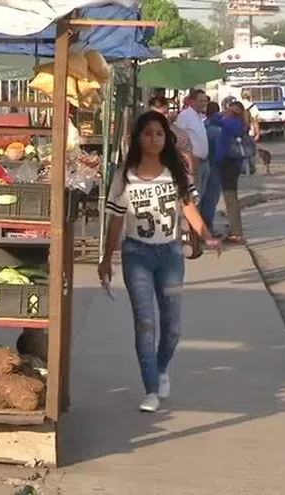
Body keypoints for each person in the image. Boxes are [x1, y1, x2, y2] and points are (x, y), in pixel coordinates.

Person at [98, 110, 222, 413]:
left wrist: (207, 235)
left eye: (159, 134)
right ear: (137, 139)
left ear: (166, 138)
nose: (154, 139)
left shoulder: (175, 170)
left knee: (173, 325)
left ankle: (161, 367)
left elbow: (189, 207)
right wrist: (106, 258)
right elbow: (115, 220)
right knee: (145, 323)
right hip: (136, 255)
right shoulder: (124, 175)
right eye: (148, 133)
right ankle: (150, 389)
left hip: (170, 255)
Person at [209, 99, 252, 244]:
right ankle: (235, 230)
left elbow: (214, 119)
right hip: (231, 163)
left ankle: (236, 232)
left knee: (230, 197)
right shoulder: (237, 123)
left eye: (230, 109)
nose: (226, 111)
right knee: (230, 196)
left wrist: (222, 113)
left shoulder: (232, 123)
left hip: (228, 164)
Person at [175, 89, 210, 200]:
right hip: (193, 163)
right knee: (194, 198)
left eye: (205, 101)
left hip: (204, 162)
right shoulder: (185, 116)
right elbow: (178, 138)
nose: (204, 103)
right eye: (201, 101)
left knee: (201, 195)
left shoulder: (200, 116)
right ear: (192, 101)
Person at [148, 95, 194, 177]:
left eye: (163, 113)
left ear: (168, 112)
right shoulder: (142, 135)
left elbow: (188, 163)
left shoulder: (180, 135)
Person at [199, 101, 223, 232]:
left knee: (203, 195)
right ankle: (208, 226)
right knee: (211, 197)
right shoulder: (218, 130)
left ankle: (201, 225)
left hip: (204, 163)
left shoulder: (203, 126)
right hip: (215, 166)